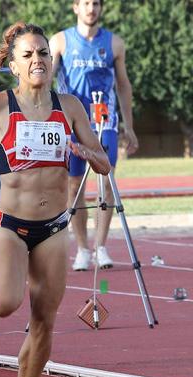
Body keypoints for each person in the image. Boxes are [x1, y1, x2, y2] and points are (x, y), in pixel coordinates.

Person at [0, 22, 110, 377]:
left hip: (53, 228)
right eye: (28, 55)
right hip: (12, 225)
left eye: (44, 53)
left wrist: (86, 152)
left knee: (44, 324)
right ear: (14, 65)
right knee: (4, 304)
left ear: (53, 60)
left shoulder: (70, 106)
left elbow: (104, 163)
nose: (38, 60)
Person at [50, 0, 138, 271]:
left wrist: (129, 126)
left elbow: (123, 85)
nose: (91, 8)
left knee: (106, 181)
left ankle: (100, 246)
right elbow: (45, 80)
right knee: (74, 186)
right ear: (76, 7)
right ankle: (82, 249)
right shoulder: (60, 41)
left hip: (104, 122)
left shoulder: (114, 43)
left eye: (96, 3)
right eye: (86, 3)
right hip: (73, 123)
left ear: (101, 8)